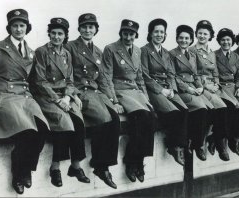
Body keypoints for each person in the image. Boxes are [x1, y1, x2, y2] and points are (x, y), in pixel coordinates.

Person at [0, 9, 49, 194]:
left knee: (43, 128)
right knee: (27, 131)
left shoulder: (31, 53)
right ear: (9, 28)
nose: (18, 29)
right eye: (14, 26)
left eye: (22, 25)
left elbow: (35, 81)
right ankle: (20, 174)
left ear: (27, 28)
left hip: (24, 97)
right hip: (3, 95)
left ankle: (26, 168)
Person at [29, 17, 90, 187]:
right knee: (64, 123)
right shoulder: (42, 52)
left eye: (60, 34)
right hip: (46, 96)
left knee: (78, 121)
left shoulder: (67, 54)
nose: (56, 37)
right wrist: (57, 100)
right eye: (53, 33)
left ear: (65, 36)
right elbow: (40, 81)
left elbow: (70, 81)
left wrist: (68, 97)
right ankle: (55, 167)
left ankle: (75, 165)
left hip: (64, 96)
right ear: (49, 34)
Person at [65, 13, 119, 189]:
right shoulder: (70, 47)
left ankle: (104, 164)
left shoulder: (98, 51)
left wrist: (112, 99)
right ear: (79, 28)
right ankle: (100, 166)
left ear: (96, 29)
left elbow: (103, 78)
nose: (88, 30)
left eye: (91, 27)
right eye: (84, 27)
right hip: (81, 92)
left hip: (96, 92)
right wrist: (72, 95)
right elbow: (67, 75)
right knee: (103, 118)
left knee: (116, 118)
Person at [101, 19, 156, 183]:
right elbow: (106, 78)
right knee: (139, 117)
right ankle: (132, 162)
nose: (128, 37)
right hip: (120, 91)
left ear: (135, 35)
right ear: (121, 33)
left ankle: (139, 160)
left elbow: (139, 79)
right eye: (125, 33)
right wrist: (114, 101)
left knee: (151, 117)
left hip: (135, 91)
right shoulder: (110, 49)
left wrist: (146, 99)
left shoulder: (138, 51)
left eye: (131, 34)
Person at [141, 18, 188, 166]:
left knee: (185, 110)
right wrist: (161, 90)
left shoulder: (166, 53)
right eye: (156, 31)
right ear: (150, 33)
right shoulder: (144, 51)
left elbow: (171, 74)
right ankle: (174, 146)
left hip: (168, 88)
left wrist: (172, 89)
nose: (159, 34)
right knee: (173, 113)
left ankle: (180, 145)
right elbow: (145, 76)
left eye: (162, 32)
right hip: (153, 90)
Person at [170, 25, 214, 161]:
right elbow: (173, 76)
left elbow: (195, 74)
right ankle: (196, 144)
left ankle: (197, 141)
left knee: (212, 109)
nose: (184, 40)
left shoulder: (193, 54)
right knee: (200, 109)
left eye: (187, 38)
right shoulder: (171, 54)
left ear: (190, 40)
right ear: (177, 39)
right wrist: (187, 88)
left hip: (194, 87)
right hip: (182, 89)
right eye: (181, 38)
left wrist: (200, 86)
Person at [189, 20, 230, 161]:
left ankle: (218, 141)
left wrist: (217, 85)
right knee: (210, 109)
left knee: (224, 107)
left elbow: (216, 73)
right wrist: (206, 86)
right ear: (196, 34)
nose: (202, 36)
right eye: (200, 33)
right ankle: (199, 143)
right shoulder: (192, 51)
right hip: (200, 86)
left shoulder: (211, 52)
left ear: (210, 35)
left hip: (213, 86)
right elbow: (194, 73)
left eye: (205, 33)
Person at [215, 28, 239, 157]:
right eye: (223, 40)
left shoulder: (235, 56)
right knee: (229, 109)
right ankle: (221, 143)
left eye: (228, 40)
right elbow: (213, 75)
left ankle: (234, 139)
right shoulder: (214, 55)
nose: (226, 42)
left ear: (232, 41)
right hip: (221, 88)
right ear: (219, 41)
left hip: (234, 87)